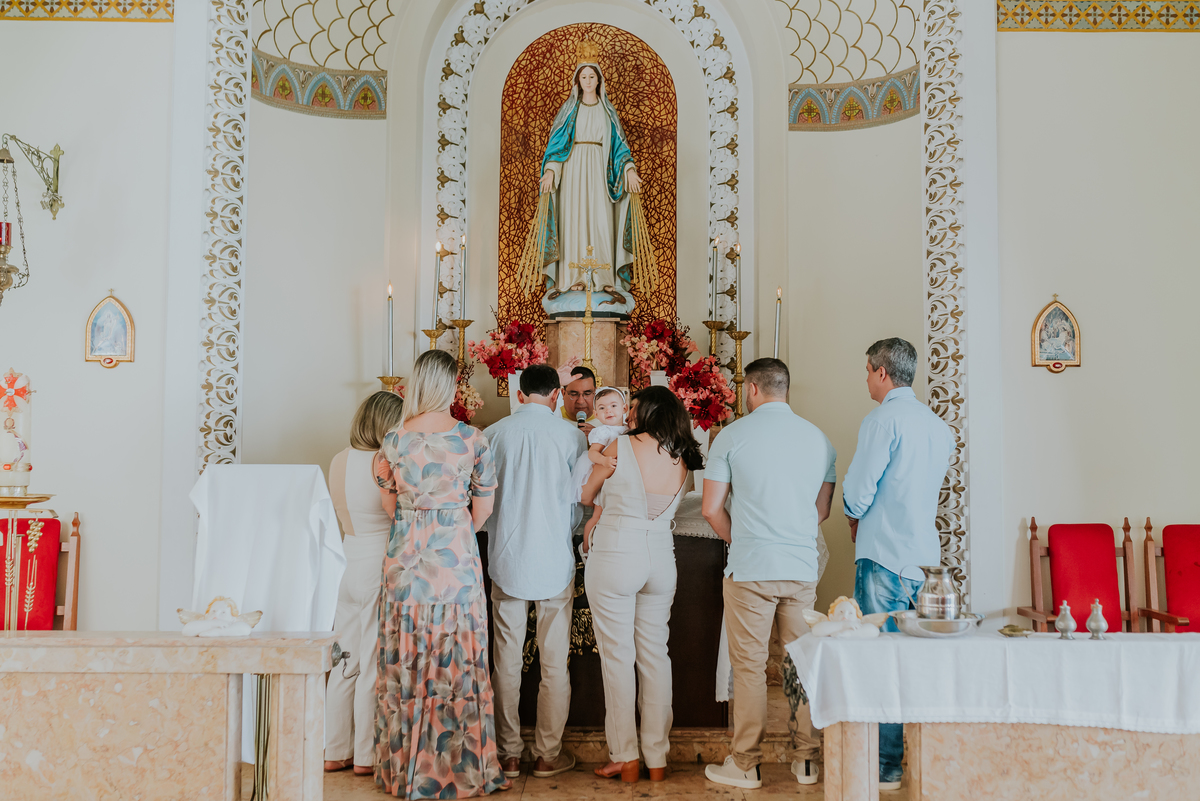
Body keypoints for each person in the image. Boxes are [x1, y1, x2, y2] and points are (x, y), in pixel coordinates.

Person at [372, 349, 508, 798]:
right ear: (450, 386)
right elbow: (483, 509)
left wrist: (419, 525)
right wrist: (452, 529)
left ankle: (406, 771)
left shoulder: (393, 440)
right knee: (458, 661)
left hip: (406, 563)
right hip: (455, 563)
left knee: (407, 661)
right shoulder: (473, 439)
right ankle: (461, 770)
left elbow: (390, 506)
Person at [701, 358, 835, 790]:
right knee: (800, 665)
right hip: (800, 568)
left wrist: (741, 540)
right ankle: (807, 761)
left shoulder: (731, 436)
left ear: (752, 388)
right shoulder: (819, 439)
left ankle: (745, 763)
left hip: (752, 568)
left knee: (750, 669)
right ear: (786, 389)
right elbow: (821, 511)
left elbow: (710, 508)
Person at [842, 337, 954, 791]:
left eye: (868, 371)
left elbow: (858, 491)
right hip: (925, 561)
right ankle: (926, 761)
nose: (867, 380)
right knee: (921, 662)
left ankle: (887, 766)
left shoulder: (881, 420)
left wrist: (853, 513)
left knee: (881, 660)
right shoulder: (937, 427)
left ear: (882, 372)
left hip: (883, 556)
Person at [581, 386, 703, 783]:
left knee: (617, 657)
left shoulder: (620, 445)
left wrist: (596, 471)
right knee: (655, 656)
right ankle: (656, 757)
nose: (628, 414)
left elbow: (586, 494)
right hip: (661, 556)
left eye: (633, 407)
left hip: (618, 552)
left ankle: (625, 757)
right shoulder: (683, 454)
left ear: (649, 411)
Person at [481, 364, 587, 780]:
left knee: (505, 662)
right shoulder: (571, 436)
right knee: (554, 664)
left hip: (507, 557)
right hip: (554, 559)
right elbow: (579, 501)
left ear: (520, 394)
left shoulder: (493, 434)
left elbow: (483, 498)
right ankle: (547, 754)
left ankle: (508, 753)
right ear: (557, 396)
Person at [325, 390, 405, 775]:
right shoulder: (383, 462)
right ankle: (365, 755)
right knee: (372, 662)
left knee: (344, 660)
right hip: (377, 562)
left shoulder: (338, 459)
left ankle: (334, 748)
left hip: (346, 560)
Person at [559, 365, 598, 435]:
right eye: (574, 394)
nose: (580, 401)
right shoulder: (555, 418)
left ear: (595, 393)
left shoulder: (607, 421)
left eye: (587, 394)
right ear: (563, 393)